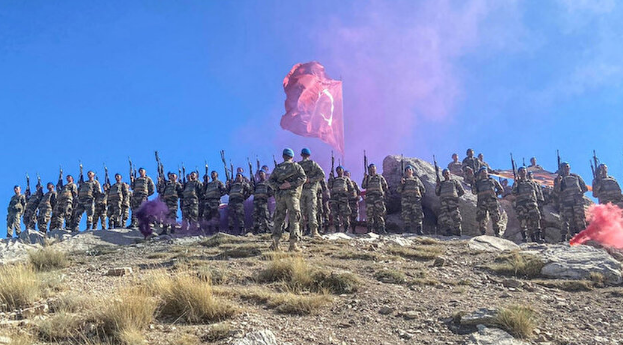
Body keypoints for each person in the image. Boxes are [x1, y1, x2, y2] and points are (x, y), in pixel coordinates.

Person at [268, 148, 306, 252]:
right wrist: (291, 184)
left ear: (283, 156)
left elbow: (270, 181)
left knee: (279, 219)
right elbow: (303, 178)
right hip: (292, 196)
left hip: (280, 197)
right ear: (292, 156)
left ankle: (275, 244)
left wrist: (279, 186)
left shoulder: (278, 168)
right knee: (294, 219)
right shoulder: (296, 166)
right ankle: (293, 245)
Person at [555, 162, 588, 241]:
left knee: (580, 219)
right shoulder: (559, 179)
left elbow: (585, 188)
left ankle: (584, 237)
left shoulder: (576, 176)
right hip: (566, 203)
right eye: (564, 167)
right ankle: (574, 238)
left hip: (577, 202)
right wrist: (559, 182)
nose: (566, 169)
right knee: (569, 221)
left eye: (567, 167)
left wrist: (578, 195)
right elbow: (556, 192)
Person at [298, 148, 326, 237]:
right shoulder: (313, 164)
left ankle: (299, 231)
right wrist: (311, 180)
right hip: (311, 190)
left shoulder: (298, 165)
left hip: (301, 190)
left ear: (301, 155)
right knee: (312, 210)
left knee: (300, 211)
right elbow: (322, 175)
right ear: (309, 155)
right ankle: (314, 231)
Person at [512, 167, 542, 242]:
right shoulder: (517, 183)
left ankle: (538, 237)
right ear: (519, 173)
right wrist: (516, 183)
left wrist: (539, 201)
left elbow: (537, 193)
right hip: (521, 204)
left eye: (524, 171)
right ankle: (525, 238)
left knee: (536, 219)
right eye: (521, 171)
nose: (523, 172)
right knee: (523, 220)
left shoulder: (531, 182)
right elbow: (513, 192)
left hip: (531, 202)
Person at [472, 167, 504, 236]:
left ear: (487, 172)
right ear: (480, 173)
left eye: (485, 171)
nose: (484, 173)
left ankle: (497, 233)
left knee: (495, 217)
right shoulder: (478, 182)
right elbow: (474, 192)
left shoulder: (492, 180)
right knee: (481, 218)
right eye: (482, 171)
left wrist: (495, 194)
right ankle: (483, 233)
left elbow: (501, 189)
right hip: (481, 202)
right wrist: (474, 183)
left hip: (492, 201)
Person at [435, 169, 465, 236]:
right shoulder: (441, 183)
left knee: (456, 215)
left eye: (447, 173)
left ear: (449, 173)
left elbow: (462, 191)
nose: (446, 174)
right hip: (444, 202)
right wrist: (438, 185)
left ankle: (458, 230)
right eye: (445, 173)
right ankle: (448, 230)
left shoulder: (454, 181)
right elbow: (437, 193)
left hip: (453, 201)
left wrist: (455, 196)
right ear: (443, 175)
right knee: (445, 216)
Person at [398, 165, 426, 234]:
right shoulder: (403, 180)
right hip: (406, 200)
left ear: (412, 171)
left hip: (416, 199)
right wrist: (402, 184)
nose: (408, 171)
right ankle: (407, 229)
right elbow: (398, 190)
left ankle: (419, 229)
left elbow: (423, 189)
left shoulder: (416, 179)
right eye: (407, 170)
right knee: (406, 215)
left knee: (418, 214)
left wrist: (419, 195)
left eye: (410, 169)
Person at [362, 163, 389, 234]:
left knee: (380, 214)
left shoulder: (379, 177)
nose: (372, 169)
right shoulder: (367, 178)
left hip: (378, 197)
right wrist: (365, 178)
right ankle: (369, 229)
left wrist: (383, 193)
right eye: (371, 167)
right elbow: (363, 186)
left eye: (373, 167)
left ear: (375, 168)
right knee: (369, 214)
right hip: (370, 198)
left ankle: (382, 229)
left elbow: (385, 186)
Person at [328, 166, 355, 233]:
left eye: (340, 169)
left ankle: (346, 229)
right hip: (335, 199)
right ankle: (337, 229)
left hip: (343, 198)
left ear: (343, 171)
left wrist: (351, 196)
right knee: (335, 214)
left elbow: (351, 188)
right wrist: (330, 178)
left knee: (345, 214)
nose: (339, 171)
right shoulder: (334, 179)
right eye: (337, 170)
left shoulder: (346, 179)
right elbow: (329, 186)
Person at [252, 170, 273, 234]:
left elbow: (271, 191)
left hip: (263, 201)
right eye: (260, 174)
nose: (261, 175)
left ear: (265, 174)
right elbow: (253, 191)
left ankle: (267, 229)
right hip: (256, 202)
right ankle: (256, 230)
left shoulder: (267, 183)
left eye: (262, 173)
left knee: (265, 215)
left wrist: (266, 195)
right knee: (256, 216)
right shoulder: (257, 184)